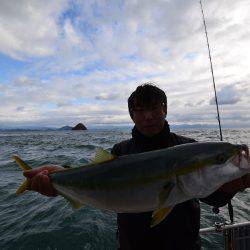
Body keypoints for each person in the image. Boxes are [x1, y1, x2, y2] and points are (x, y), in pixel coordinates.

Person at [24, 83, 250, 250]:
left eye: (154, 108)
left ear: (165, 109)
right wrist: (58, 177)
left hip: (184, 244)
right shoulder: (121, 151)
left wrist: (234, 185)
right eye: (140, 110)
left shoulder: (189, 147)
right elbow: (92, 179)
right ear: (132, 115)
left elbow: (212, 196)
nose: (148, 116)